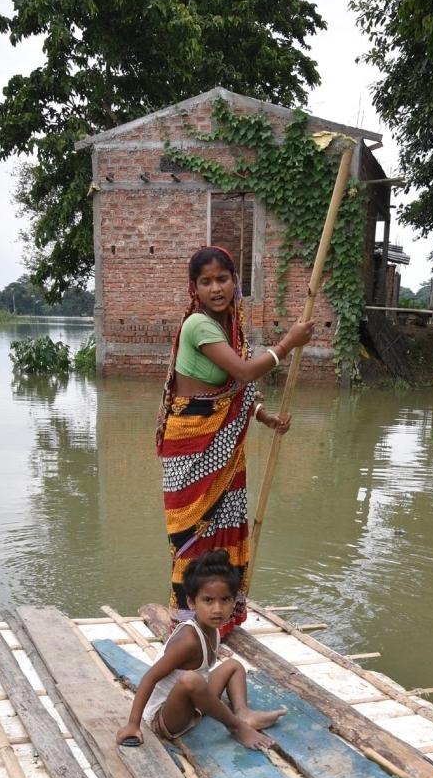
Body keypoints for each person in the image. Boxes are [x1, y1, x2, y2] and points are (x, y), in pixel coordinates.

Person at [157, 245, 312, 633]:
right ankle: (188, 619)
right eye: (206, 282)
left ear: (235, 283)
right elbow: (243, 373)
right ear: (194, 289)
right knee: (193, 533)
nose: (216, 288)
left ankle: (220, 617)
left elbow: (231, 394)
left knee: (224, 526)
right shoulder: (199, 325)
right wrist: (287, 344)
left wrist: (264, 415)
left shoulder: (231, 328)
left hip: (223, 453)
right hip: (192, 448)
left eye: (222, 279)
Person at [117, 549, 285, 751]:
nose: (217, 609)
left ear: (234, 601)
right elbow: (150, 678)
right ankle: (237, 726)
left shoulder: (212, 628)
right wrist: (133, 725)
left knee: (233, 666)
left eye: (225, 600)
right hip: (166, 717)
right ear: (191, 602)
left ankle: (242, 713)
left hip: (194, 701)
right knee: (191, 680)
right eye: (208, 600)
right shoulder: (188, 639)